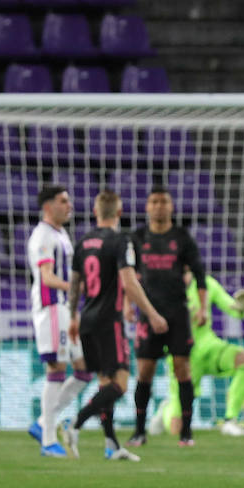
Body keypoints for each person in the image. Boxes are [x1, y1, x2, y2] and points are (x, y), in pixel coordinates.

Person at [61, 191, 168, 461]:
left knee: (104, 383)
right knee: (119, 384)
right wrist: (153, 315)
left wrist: (72, 316)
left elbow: (75, 284)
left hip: (86, 319)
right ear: (119, 213)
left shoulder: (83, 242)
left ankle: (111, 445)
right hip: (110, 321)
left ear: (96, 213)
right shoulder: (122, 241)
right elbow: (129, 283)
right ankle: (75, 423)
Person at [127, 186, 207, 447]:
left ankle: (186, 432)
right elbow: (126, 274)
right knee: (145, 371)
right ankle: (139, 431)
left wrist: (203, 307)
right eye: (154, 201)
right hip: (147, 312)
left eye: (164, 201)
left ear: (171, 207)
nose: (159, 206)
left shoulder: (182, 237)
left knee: (182, 369)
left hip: (177, 312)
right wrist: (128, 304)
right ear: (147, 207)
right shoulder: (138, 237)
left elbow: (199, 273)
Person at [25, 185, 94, 458]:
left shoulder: (61, 234)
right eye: (63, 201)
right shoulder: (42, 236)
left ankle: (43, 423)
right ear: (48, 206)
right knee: (56, 369)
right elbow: (47, 278)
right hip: (51, 308)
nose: (69, 205)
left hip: (65, 309)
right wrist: (75, 288)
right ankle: (48, 440)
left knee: (84, 370)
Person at [151, 271, 244, 437]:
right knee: (177, 429)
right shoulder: (167, 286)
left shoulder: (206, 283)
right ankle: (166, 412)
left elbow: (231, 307)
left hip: (208, 346)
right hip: (182, 356)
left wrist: (240, 307)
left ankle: (230, 420)